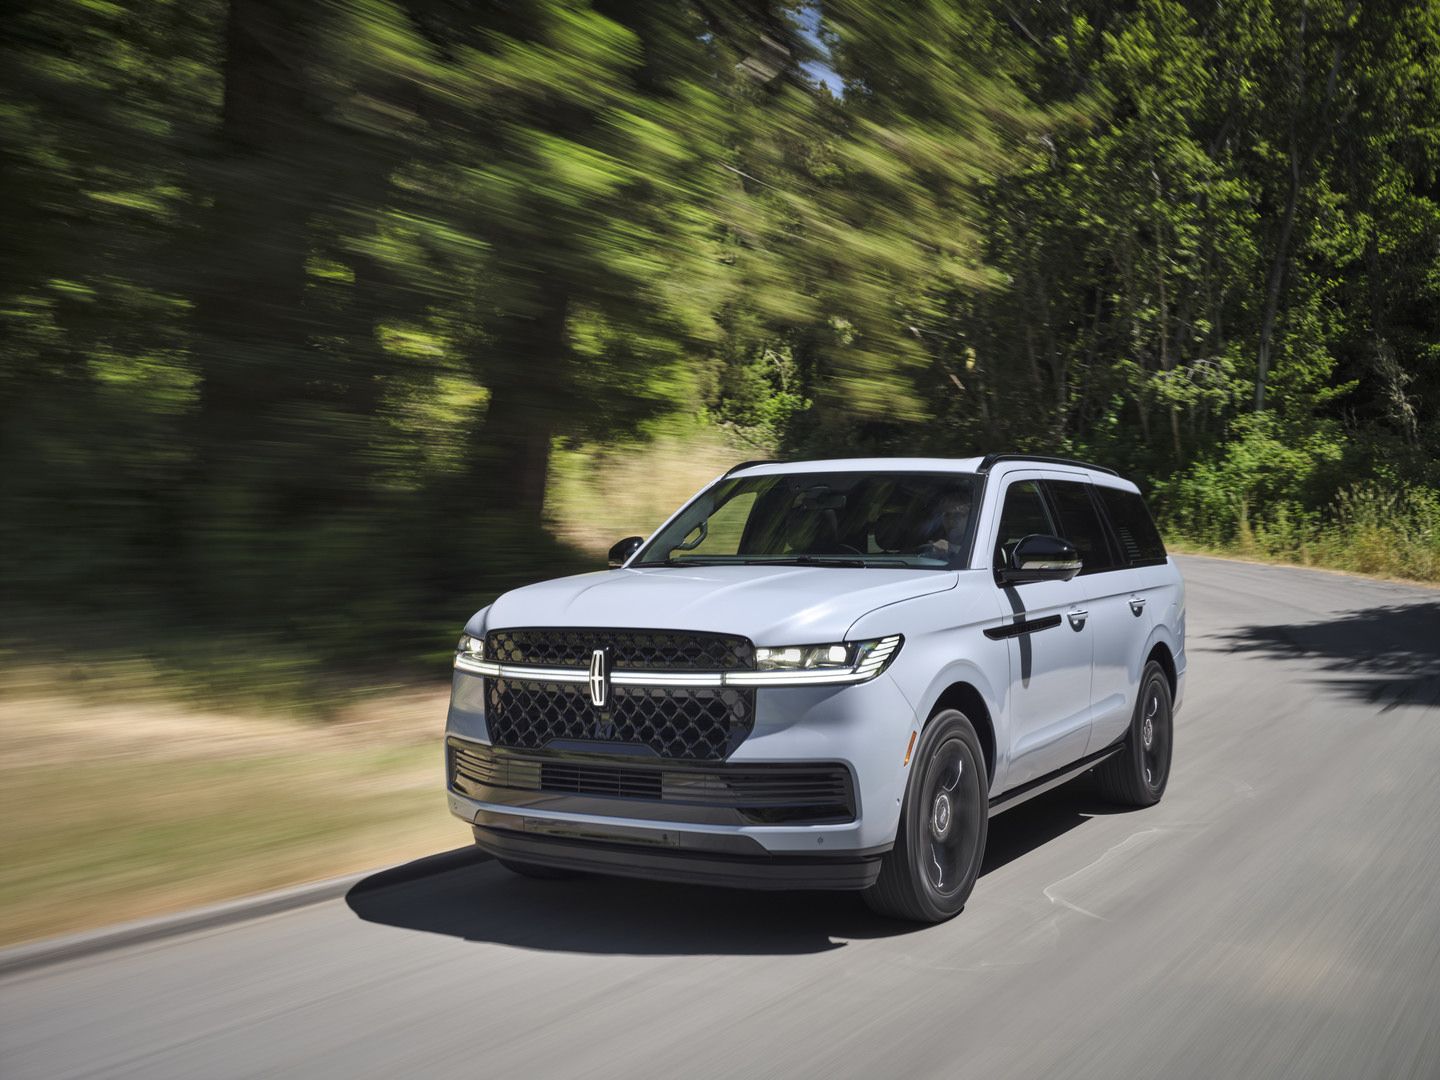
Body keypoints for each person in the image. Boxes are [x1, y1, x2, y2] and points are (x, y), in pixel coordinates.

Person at [920, 485, 972, 562]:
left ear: (970, 517)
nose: (951, 520)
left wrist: (951, 548)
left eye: (957, 515)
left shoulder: (981, 541)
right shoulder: (933, 540)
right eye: (947, 515)